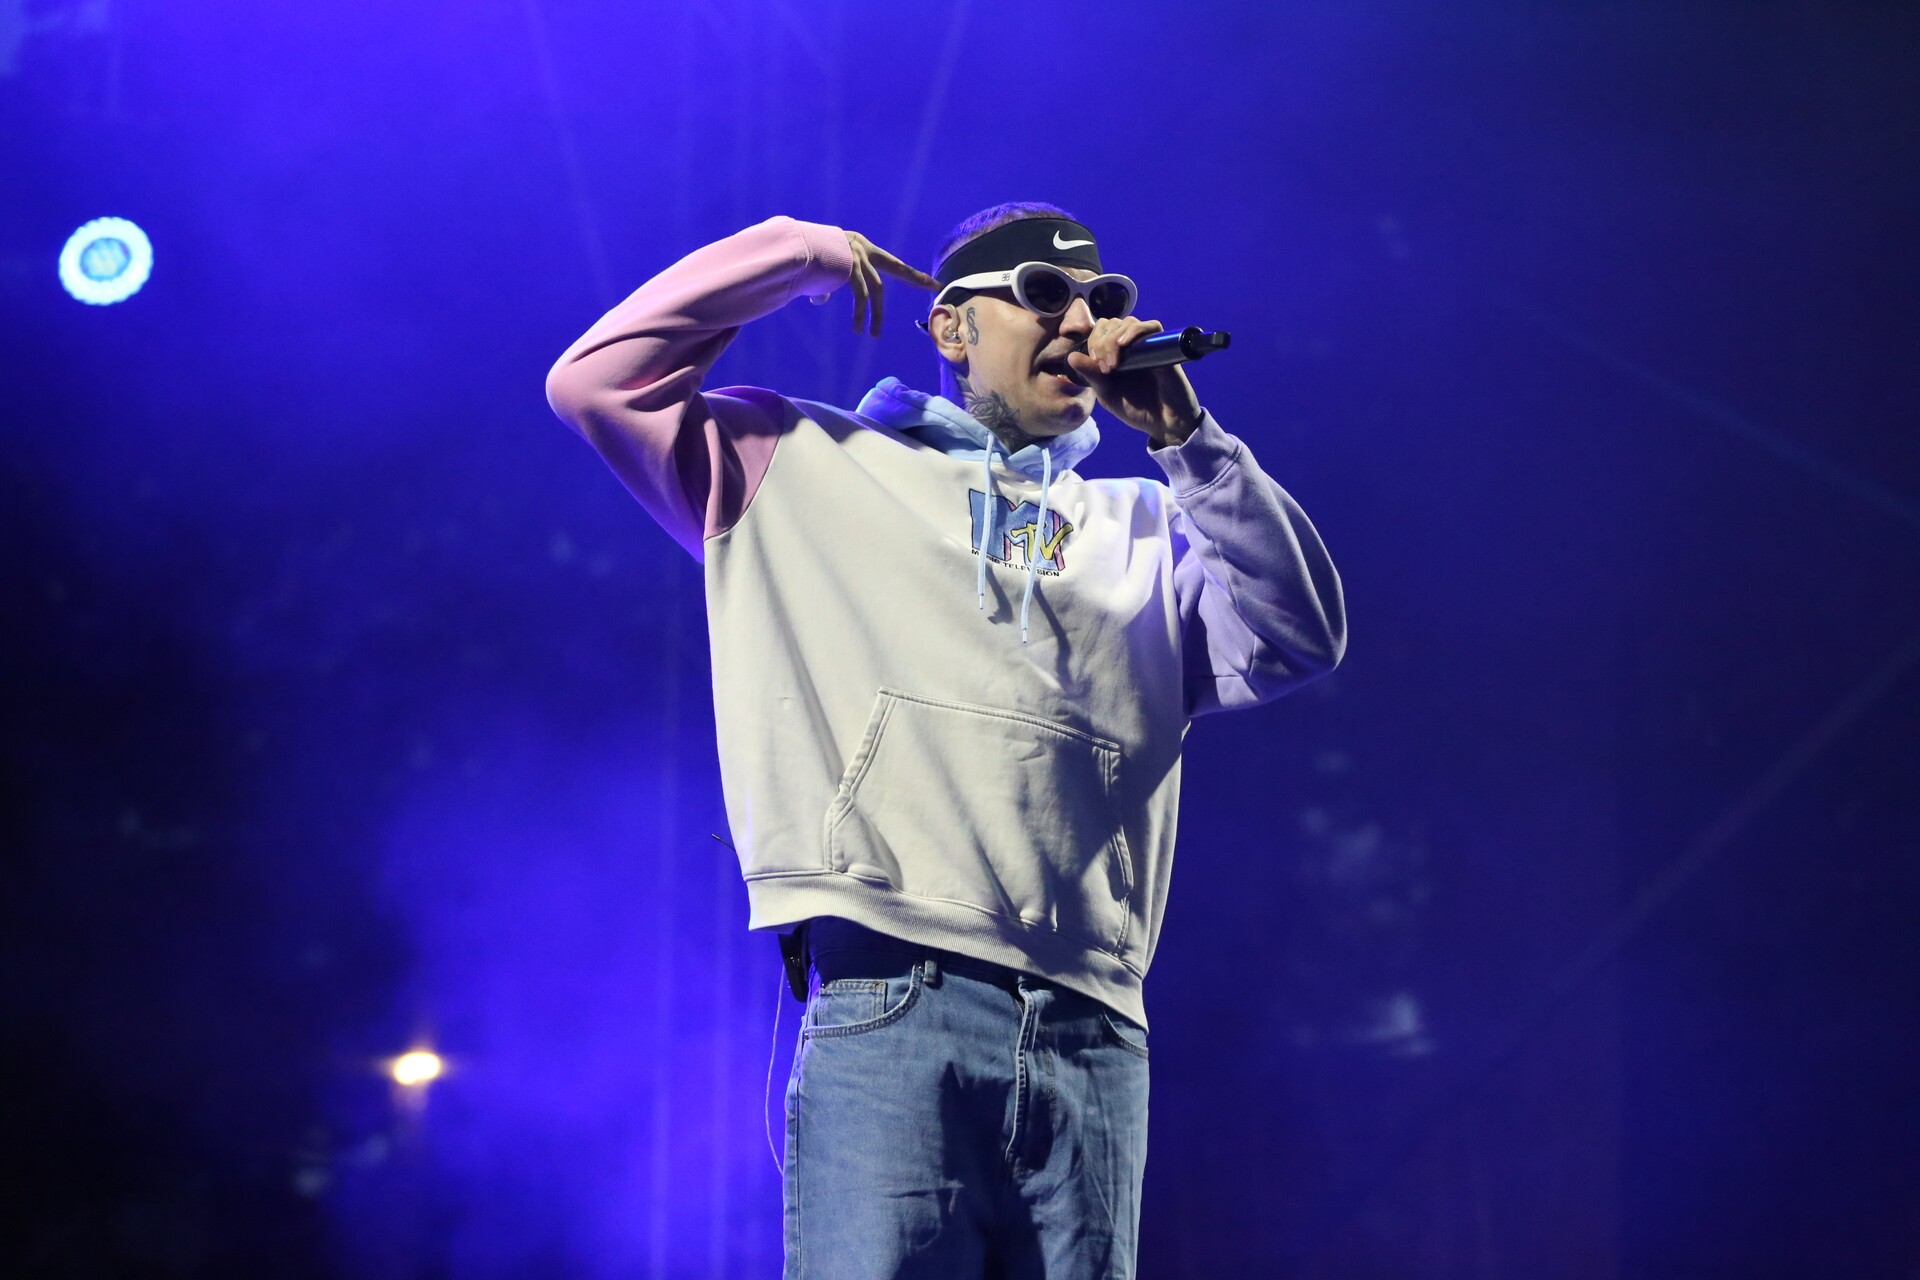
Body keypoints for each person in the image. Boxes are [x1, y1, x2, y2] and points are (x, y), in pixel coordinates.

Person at [544, 203, 1346, 1280]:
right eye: (1043, 295)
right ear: (952, 326)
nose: (1081, 322)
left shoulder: (1148, 525)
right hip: (894, 994)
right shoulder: (799, 461)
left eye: (1101, 300)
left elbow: (1302, 636)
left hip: (1096, 1028)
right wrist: (793, 253)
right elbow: (594, 383)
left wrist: (1188, 443)